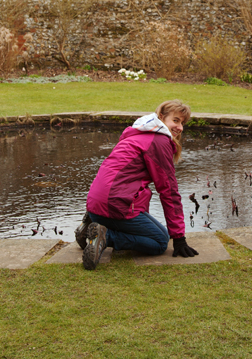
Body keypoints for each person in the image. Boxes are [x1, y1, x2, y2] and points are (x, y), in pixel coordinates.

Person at [78, 99, 198, 270]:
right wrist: (178, 237)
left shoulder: (137, 133)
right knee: (159, 241)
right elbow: (168, 191)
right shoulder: (159, 141)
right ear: (161, 117)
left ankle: (90, 226)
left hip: (95, 204)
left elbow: (133, 185)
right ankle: (105, 236)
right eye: (176, 120)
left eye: (183, 123)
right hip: (114, 206)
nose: (180, 127)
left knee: (148, 222)